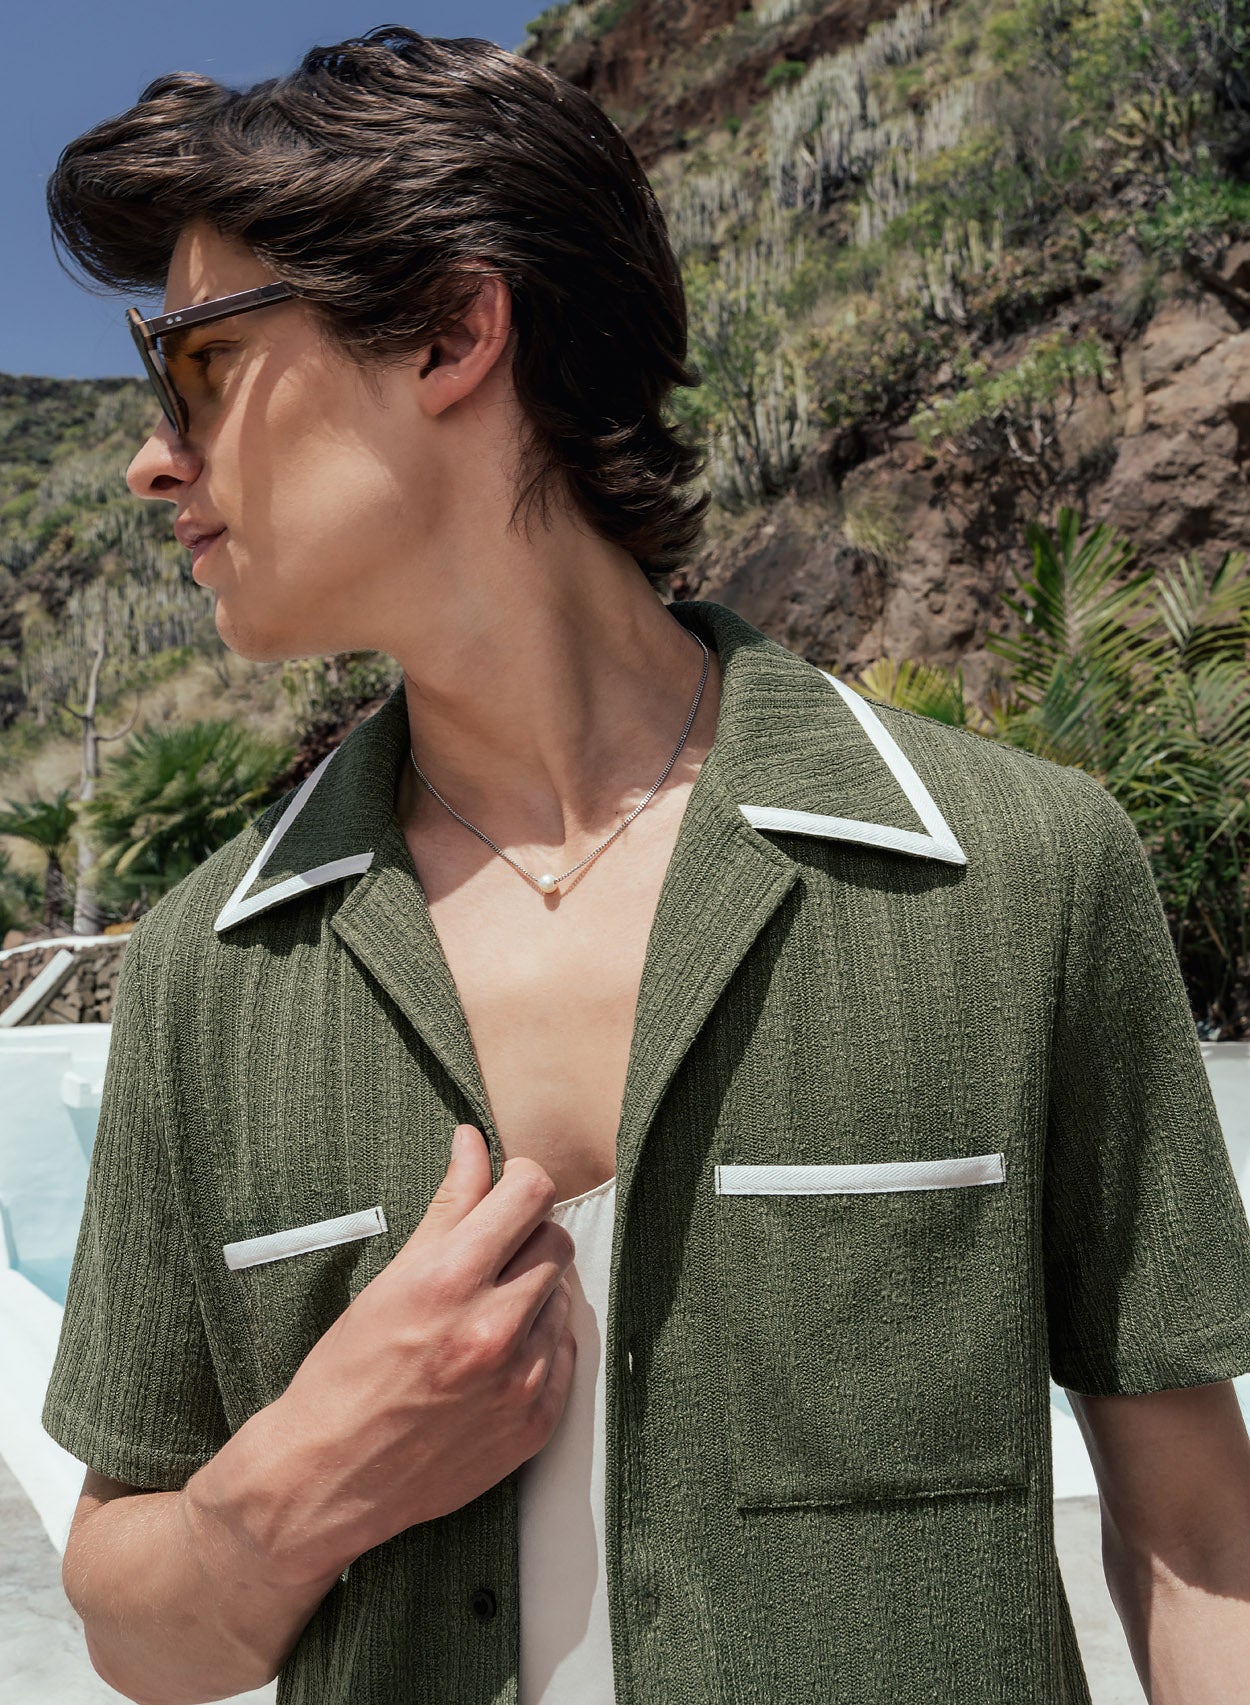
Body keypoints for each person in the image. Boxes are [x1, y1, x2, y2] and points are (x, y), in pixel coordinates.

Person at [39, 25, 1250, 1705]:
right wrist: (297, 1484)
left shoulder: (1019, 872)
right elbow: (129, 1622)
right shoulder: (208, 967)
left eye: (202, 362)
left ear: (453, 330)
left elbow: (1198, 1540)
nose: (153, 453)